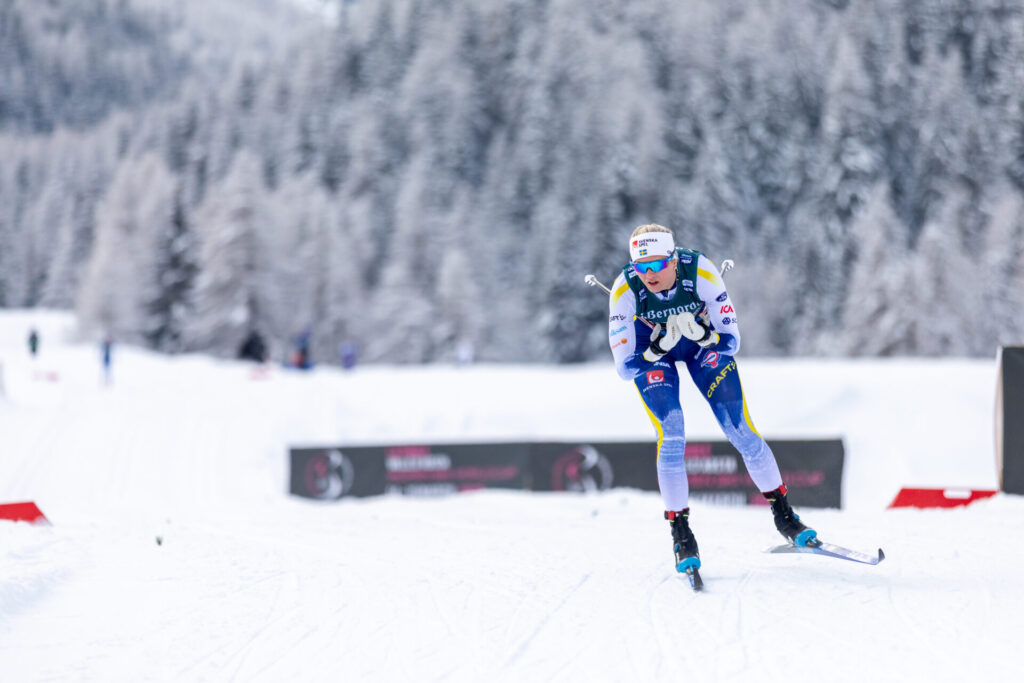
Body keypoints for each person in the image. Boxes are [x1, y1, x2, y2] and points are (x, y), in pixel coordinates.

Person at [606, 224, 818, 575]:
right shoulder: (624, 289)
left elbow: (732, 341)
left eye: (657, 265)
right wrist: (654, 350)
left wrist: (705, 335)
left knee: (741, 432)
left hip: (702, 346)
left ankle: (785, 515)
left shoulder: (700, 271)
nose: (650, 275)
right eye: (642, 268)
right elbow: (625, 368)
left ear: (674, 260)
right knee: (671, 435)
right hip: (652, 353)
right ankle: (681, 533)